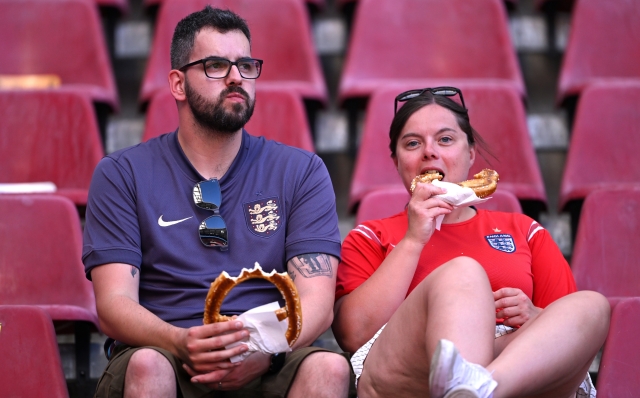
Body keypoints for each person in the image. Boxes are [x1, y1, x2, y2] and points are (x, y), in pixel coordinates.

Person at [83, 6, 355, 398]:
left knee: (328, 367)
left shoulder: (301, 170)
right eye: (215, 65)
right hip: (165, 351)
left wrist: (266, 352)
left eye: (245, 65)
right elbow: (113, 303)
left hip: (268, 357)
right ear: (178, 84)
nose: (235, 77)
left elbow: (317, 300)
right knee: (147, 365)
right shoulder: (122, 173)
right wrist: (180, 341)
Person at [332, 87, 610, 398]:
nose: (429, 152)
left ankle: (475, 389)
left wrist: (534, 315)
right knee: (462, 272)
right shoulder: (370, 236)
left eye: (446, 139)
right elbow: (353, 335)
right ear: (396, 161)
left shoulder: (524, 230)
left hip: (512, 366)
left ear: (471, 154)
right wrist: (413, 239)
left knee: (592, 306)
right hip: (411, 371)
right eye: (412, 143)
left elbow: (571, 333)